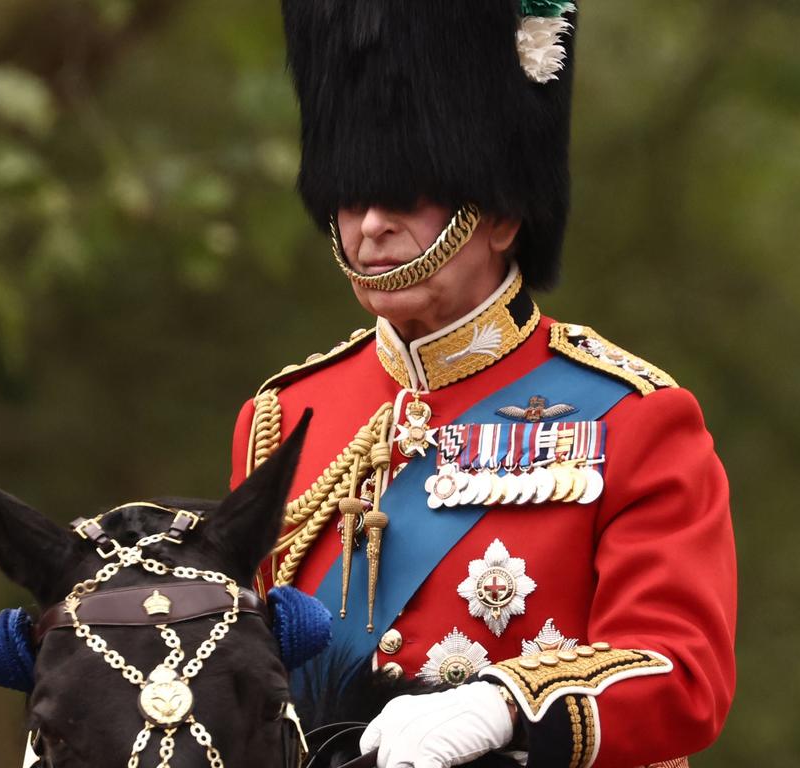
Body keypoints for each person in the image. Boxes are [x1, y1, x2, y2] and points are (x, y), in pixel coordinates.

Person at [230, 2, 736, 766]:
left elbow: (680, 671)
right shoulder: (281, 415)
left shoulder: (633, 417)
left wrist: (508, 704)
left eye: (401, 197)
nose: (369, 227)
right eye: (350, 196)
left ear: (499, 213)